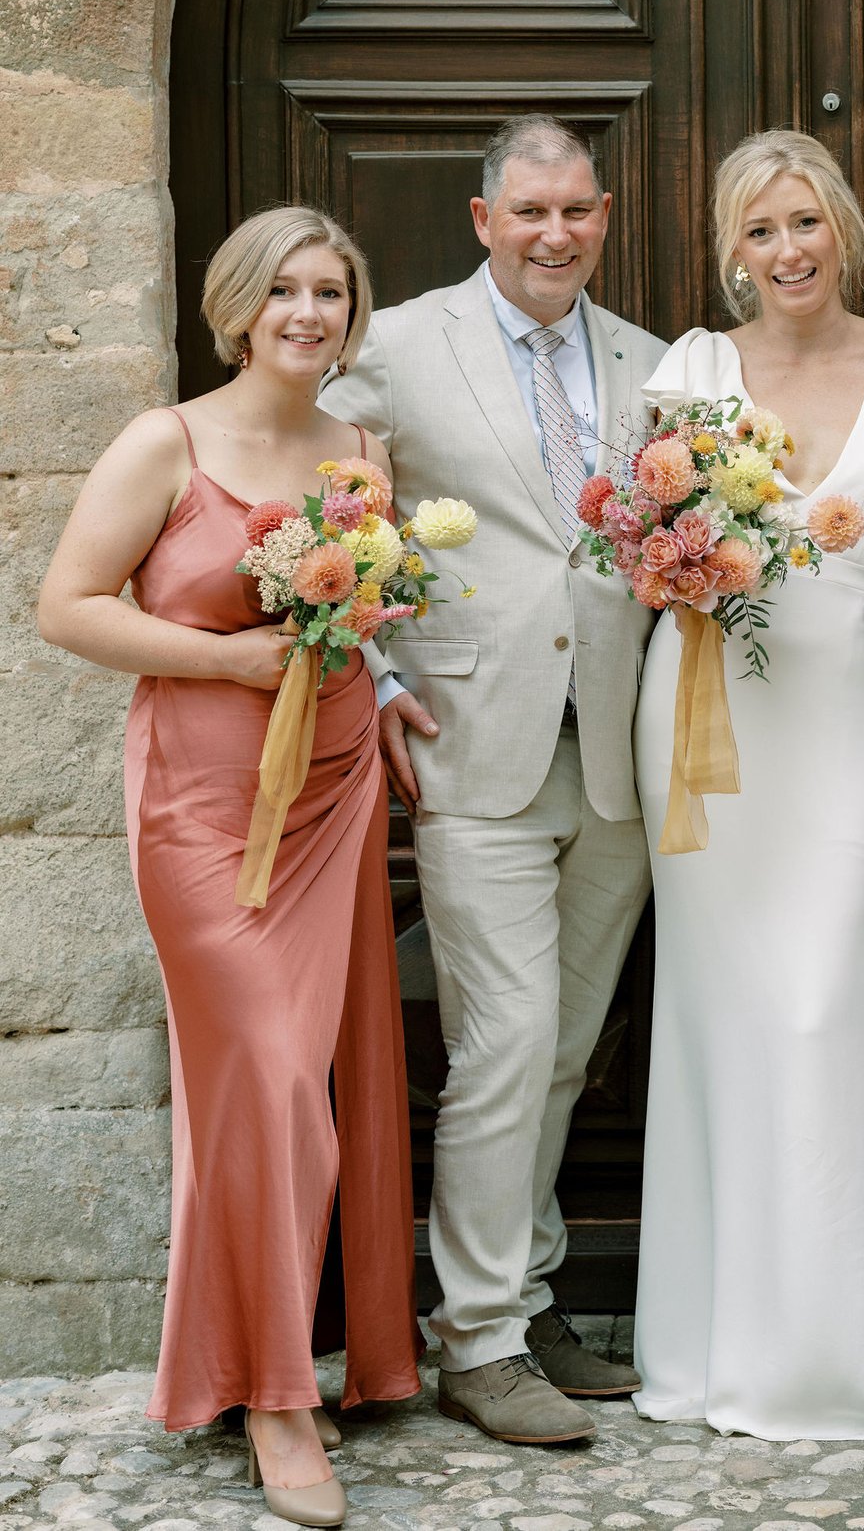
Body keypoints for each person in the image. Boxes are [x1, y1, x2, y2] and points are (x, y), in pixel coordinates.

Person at [37, 208, 420, 1528]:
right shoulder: (168, 441)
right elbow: (69, 605)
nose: (308, 312)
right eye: (287, 291)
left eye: (332, 290)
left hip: (331, 786)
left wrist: (389, 687)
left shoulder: (362, 449)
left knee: (312, 1080)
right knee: (263, 1074)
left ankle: (269, 1359)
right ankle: (271, 1394)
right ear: (239, 305)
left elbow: (357, 609)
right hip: (202, 809)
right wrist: (234, 661)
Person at [630, 130, 864, 1440]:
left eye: (806, 222)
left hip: (845, 714)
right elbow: (645, 543)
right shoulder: (694, 372)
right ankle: (720, 1344)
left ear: (844, 227)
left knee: (826, 994)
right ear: (733, 248)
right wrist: (667, 561)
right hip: (709, 717)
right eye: (761, 228)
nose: (787, 249)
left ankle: (849, 1349)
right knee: (727, 1013)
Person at [323, 116, 664, 1446]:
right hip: (474, 744)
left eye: (577, 209)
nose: (555, 232)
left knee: (566, 1049)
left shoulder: (649, 360)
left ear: (605, 212)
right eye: (530, 211)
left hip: (621, 752)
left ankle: (520, 1299)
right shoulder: (400, 344)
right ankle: (472, 1340)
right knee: (505, 1042)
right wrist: (383, 672)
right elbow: (333, 508)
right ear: (483, 219)